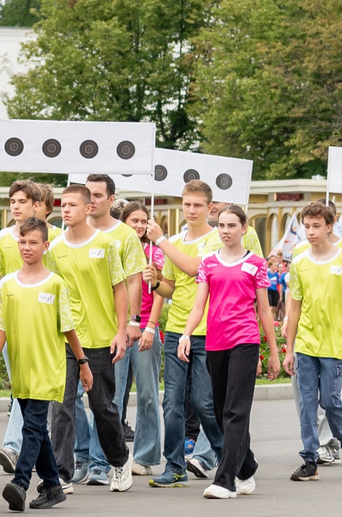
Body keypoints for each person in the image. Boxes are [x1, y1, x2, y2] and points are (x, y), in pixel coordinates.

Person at [156, 201, 283, 500]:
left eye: (232, 226)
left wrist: (273, 351)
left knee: (236, 411)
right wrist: (186, 334)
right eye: (222, 225)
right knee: (218, 409)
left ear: (244, 228)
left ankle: (225, 480)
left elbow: (264, 311)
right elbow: (199, 305)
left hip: (245, 341)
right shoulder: (208, 263)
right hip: (215, 342)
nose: (225, 231)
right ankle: (247, 465)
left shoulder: (255, 264)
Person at [47, 179, 137, 492]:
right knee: (61, 405)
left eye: (71, 205)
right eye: (63, 204)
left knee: (102, 408)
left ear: (88, 208)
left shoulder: (106, 244)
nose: (65, 210)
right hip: (65, 338)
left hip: (100, 339)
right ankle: (61, 472)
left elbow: (119, 288)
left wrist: (121, 331)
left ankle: (119, 459)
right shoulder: (54, 248)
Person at [0, 216, 84, 511]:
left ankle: (19, 482)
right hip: (21, 369)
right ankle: (54, 485)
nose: (27, 248)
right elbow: (0, 327)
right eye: (22, 242)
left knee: (32, 426)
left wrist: (83, 362)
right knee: (37, 430)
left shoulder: (56, 284)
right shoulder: (6, 285)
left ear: (45, 246)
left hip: (48, 367)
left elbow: (68, 328)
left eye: (33, 243)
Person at [146, 180, 230, 488]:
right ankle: (175, 466)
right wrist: (155, 281)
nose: (191, 210)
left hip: (208, 330)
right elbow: (171, 286)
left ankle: (230, 457)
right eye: (187, 204)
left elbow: (196, 269)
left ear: (210, 208)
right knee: (173, 403)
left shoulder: (214, 239)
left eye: (197, 205)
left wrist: (162, 241)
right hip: (176, 330)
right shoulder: (177, 239)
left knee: (204, 402)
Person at [282, 201, 342, 482]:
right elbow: (294, 306)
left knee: (330, 401)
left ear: (329, 227)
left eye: (317, 226)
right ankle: (309, 459)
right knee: (306, 403)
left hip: (334, 345)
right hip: (305, 344)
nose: (311, 231)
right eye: (307, 226)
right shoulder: (300, 261)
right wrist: (289, 348)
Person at [115, 200, 165, 479]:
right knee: (113, 395)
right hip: (118, 330)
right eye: (133, 220)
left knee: (147, 395)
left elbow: (159, 293)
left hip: (146, 329)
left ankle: (145, 456)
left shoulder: (153, 254)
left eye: (143, 221)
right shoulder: (114, 250)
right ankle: (112, 455)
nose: (139, 225)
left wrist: (151, 327)